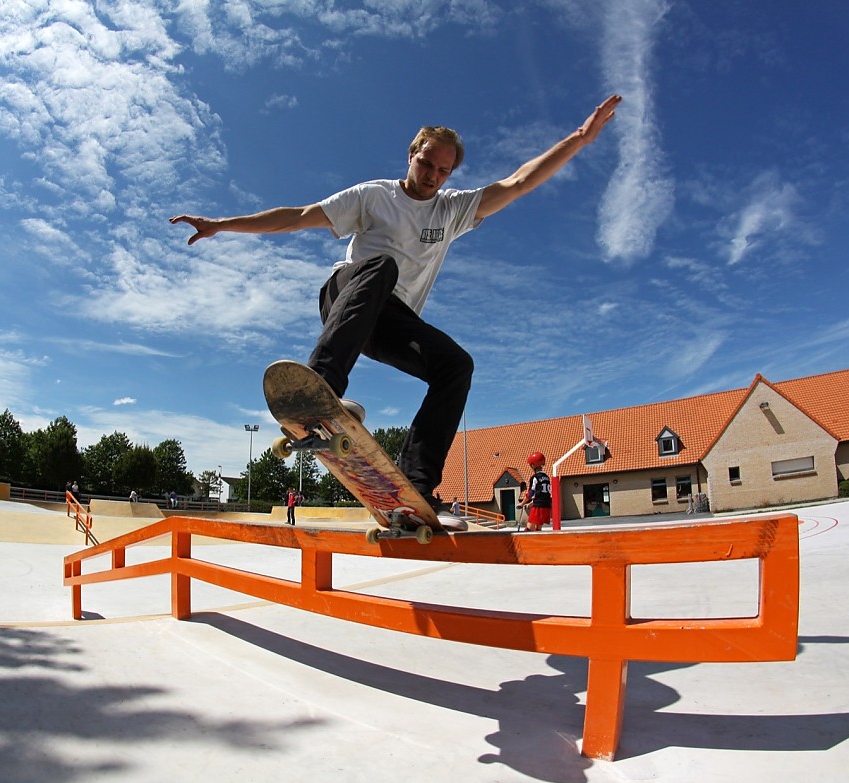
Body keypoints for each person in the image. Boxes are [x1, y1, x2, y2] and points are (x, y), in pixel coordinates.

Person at [171, 95, 620, 513]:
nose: (431, 176)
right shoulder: (374, 195)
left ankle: (417, 483)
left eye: (443, 171)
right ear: (412, 155)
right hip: (345, 295)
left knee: (456, 366)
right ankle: (321, 387)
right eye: (426, 163)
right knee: (381, 266)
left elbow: (520, 183)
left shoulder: (452, 210)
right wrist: (222, 224)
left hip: (389, 322)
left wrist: (579, 139)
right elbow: (299, 216)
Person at [525, 451, 552, 531]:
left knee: (529, 528)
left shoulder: (535, 477)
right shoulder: (547, 477)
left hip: (538, 506)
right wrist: (531, 503)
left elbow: (531, 493)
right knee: (538, 529)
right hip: (546, 505)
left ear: (533, 465)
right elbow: (542, 494)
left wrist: (522, 503)